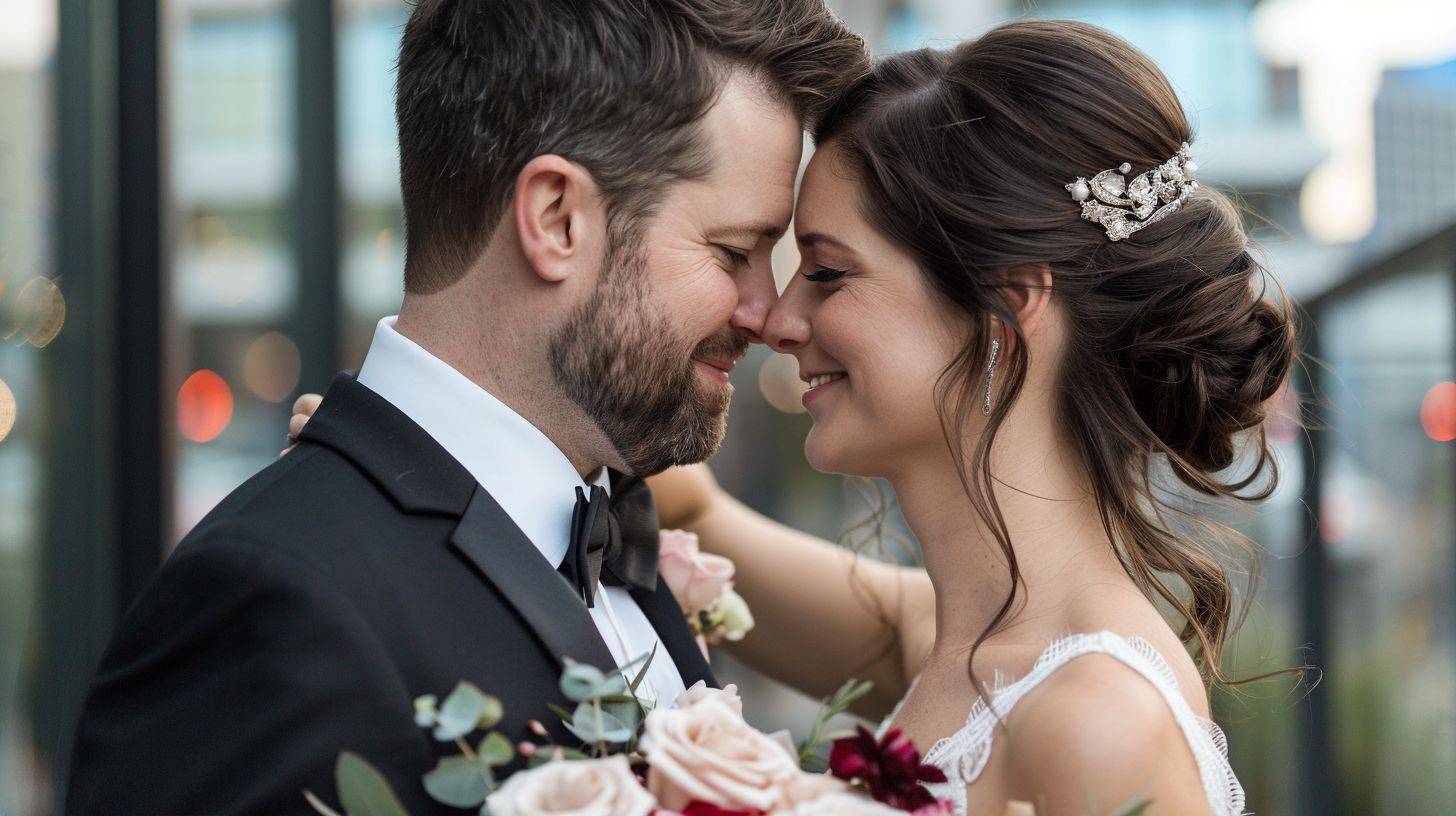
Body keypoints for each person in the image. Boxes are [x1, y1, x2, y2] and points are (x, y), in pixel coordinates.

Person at [293, 19, 1297, 816]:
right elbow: (708, 527)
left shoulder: (1091, 720)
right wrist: (421, 465)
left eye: (825, 271)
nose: (777, 317)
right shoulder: (957, 640)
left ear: (1003, 308)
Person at [63, 2, 866, 813]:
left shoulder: (621, 533)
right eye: (735, 253)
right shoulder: (269, 606)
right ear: (556, 218)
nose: (767, 311)